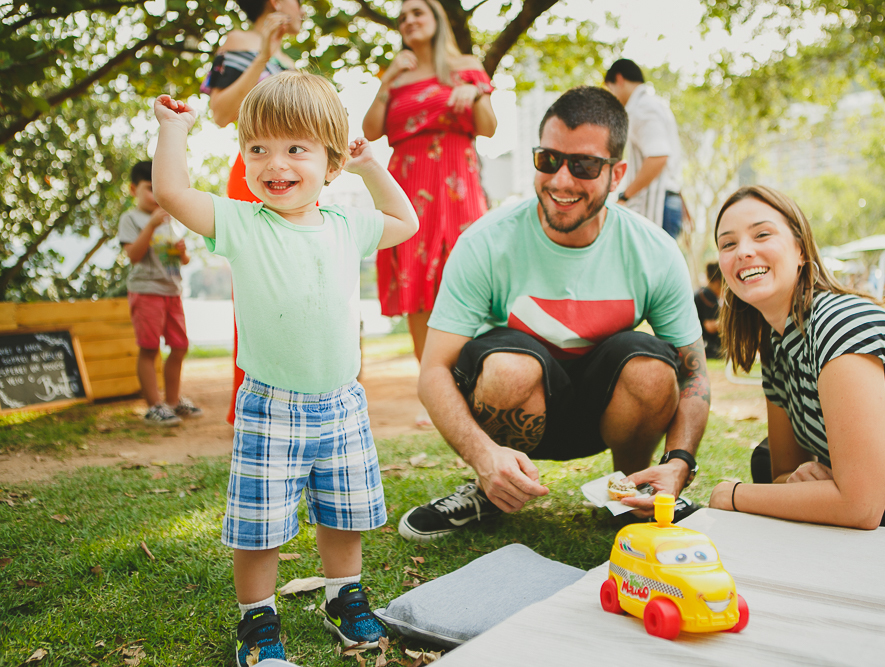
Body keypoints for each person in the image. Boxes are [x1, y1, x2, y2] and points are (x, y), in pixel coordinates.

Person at [151, 71, 419, 663]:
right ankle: (257, 618)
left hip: (343, 403)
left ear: (331, 163)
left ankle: (342, 594)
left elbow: (406, 222)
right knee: (261, 521)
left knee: (344, 512)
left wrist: (373, 165)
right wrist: (173, 130)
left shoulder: (349, 225)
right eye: (259, 149)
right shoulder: (243, 224)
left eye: (296, 147)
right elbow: (172, 193)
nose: (276, 163)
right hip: (271, 405)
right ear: (244, 156)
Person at [397, 86, 710, 543]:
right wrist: (483, 456)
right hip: (515, 404)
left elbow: (695, 376)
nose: (561, 181)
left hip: (606, 414)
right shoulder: (487, 241)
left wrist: (678, 463)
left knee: (653, 367)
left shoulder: (653, 250)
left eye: (582, 165)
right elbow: (433, 372)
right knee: (508, 366)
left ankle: (630, 491)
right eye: (548, 160)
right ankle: (493, 485)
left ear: (617, 173)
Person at [709, 185, 885, 539]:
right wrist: (805, 481)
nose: (744, 251)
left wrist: (733, 495)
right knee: (763, 457)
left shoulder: (839, 323)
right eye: (728, 244)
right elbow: (782, 472)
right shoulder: (777, 345)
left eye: (762, 234)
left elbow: (859, 506)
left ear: (801, 249)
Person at [361, 0, 497, 401]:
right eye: (403, 17)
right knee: (417, 286)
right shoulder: (397, 75)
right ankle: (434, 390)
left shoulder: (466, 66)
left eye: (417, 12)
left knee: (465, 277)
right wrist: (386, 82)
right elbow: (370, 130)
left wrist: (474, 91)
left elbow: (489, 127)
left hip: (457, 182)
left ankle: (478, 381)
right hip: (409, 182)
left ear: (436, 20)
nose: (409, 21)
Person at [202, 0, 304, 426]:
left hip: (298, 180)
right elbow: (221, 112)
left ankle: (296, 400)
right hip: (254, 178)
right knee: (258, 294)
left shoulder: (293, 61)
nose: (302, 10)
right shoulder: (240, 43)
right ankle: (251, 409)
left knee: (297, 293)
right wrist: (262, 55)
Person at [117, 160, 202, 426]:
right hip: (146, 291)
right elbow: (133, 255)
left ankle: (173, 402)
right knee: (149, 348)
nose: (156, 196)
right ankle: (154, 406)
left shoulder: (170, 218)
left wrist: (183, 252)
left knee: (179, 346)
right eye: (149, 188)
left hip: (172, 292)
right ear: (134, 189)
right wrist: (151, 226)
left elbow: (183, 261)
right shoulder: (131, 219)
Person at [603, 58, 687, 238]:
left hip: (658, 205)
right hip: (669, 200)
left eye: (610, 88)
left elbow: (658, 157)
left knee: (652, 264)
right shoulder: (657, 104)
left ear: (619, 79)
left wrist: (625, 197)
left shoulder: (642, 108)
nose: (613, 96)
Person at [694, 261, 723, 359]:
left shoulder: (702, 292)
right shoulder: (708, 296)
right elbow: (709, 326)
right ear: (718, 282)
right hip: (706, 346)